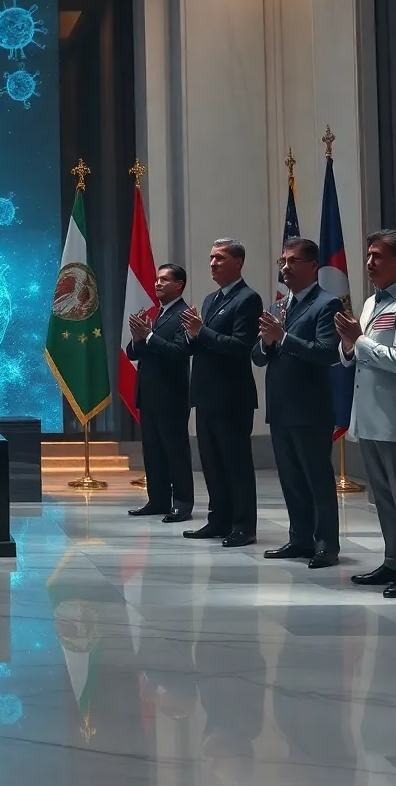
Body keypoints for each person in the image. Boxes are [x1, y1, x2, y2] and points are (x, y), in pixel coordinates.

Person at [337, 229, 396, 598]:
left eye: (377, 256)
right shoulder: (373, 303)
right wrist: (347, 346)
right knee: (382, 496)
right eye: (368, 255)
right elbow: (360, 355)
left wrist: (358, 339)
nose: (369, 263)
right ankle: (392, 561)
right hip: (370, 416)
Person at [252, 238, 343, 569]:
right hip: (280, 408)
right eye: (282, 262)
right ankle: (299, 538)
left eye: (293, 261)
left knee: (316, 478)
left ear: (312, 267)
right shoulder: (278, 307)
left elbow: (326, 352)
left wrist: (284, 338)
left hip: (310, 409)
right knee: (290, 478)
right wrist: (265, 342)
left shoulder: (327, 305)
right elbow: (259, 357)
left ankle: (326, 544)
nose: (285, 267)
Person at [181, 238, 263, 548]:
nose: (213, 263)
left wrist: (200, 331)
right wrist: (190, 335)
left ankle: (243, 525)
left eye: (220, 258)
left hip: (232, 396)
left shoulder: (248, 299)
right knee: (212, 462)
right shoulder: (209, 300)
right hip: (205, 395)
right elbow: (201, 343)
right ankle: (218, 519)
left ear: (238, 262)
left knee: (235, 463)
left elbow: (240, 347)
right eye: (211, 258)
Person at [125, 262, 193, 522]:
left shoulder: (183, 314)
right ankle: (158, 499)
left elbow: (179, 352)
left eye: (164, 280)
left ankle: (182, 503)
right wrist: (138, 338)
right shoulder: (161, 313)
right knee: (153, 451)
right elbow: (134, 353)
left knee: (175, 452)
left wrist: (150, 337)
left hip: (171, 396)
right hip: (150, 394)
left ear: (179, 285)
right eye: (157, 279)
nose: (157, 284)